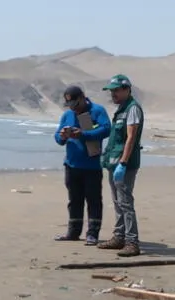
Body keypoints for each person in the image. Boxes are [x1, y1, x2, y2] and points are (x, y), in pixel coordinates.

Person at [54, 85, 111, 246]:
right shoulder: (67, 115)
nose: (74, 108)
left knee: (93, 200)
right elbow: (57, 138)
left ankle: (92, 233)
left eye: (76, 104)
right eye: (70, 105)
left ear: (83, 97)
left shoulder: (97, 111)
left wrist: (83, 134)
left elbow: (106, 129)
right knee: (74, 200)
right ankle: (73, 232)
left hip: (91, 166)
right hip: (72, 165)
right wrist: (63, 136)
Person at [96, 74, 145, 257]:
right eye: (111, 91)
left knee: (125, 203)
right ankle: (119, 237)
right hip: (114, 162)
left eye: (116, 90)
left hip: (125, 164)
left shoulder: (132, 109)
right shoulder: (121, 109)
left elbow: (131, 138)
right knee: (117, 202)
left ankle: (132, 242)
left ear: (126, 89)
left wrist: (123, 163)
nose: (113, 94)